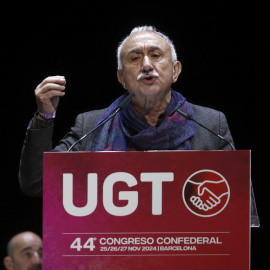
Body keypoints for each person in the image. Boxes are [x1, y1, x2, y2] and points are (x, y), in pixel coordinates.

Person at [19, 25, 234, 197]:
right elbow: (37, 183)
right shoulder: (93, 125)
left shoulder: (210, 124)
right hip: (115, 248)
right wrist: (44, 116)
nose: (147, 65)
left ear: (175, 71)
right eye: (135, 58)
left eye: (156, 55)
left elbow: (236, 198)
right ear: (121, 78)